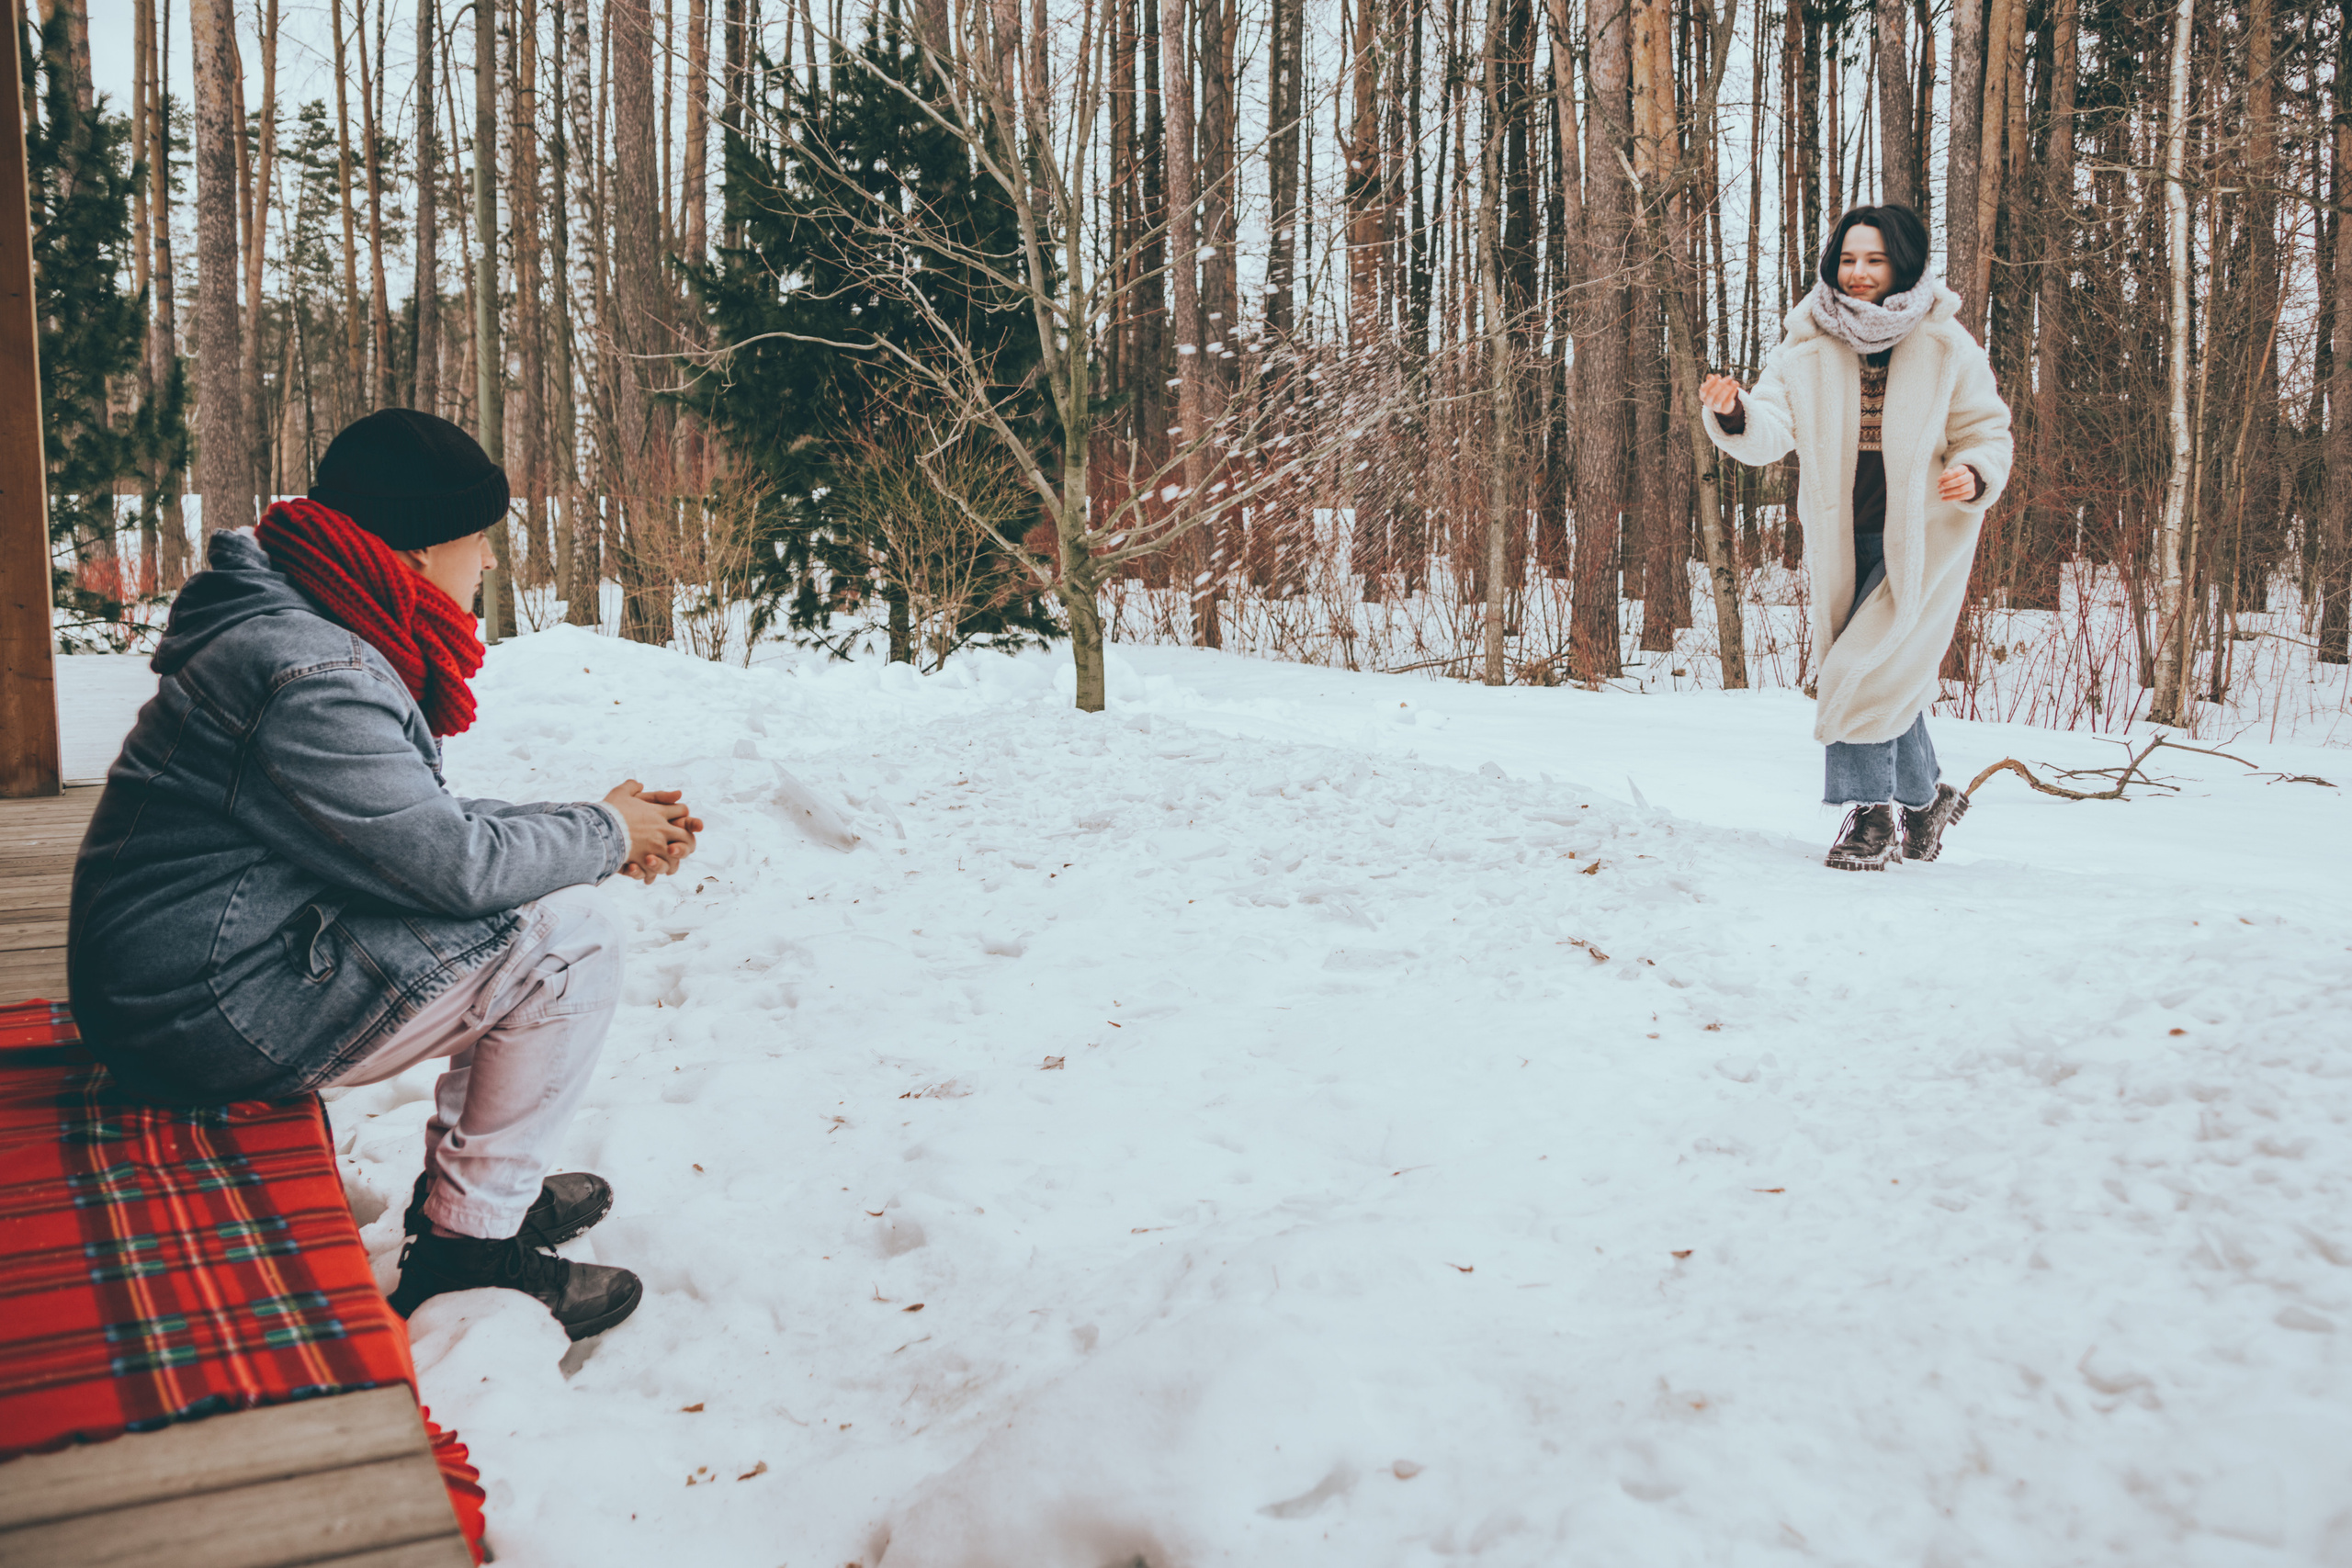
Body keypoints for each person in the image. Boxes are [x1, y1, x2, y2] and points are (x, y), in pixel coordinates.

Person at [68, 408, 702, 1341]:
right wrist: (606, 832)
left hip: (200, 969)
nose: (488, 561)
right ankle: (468, 1249)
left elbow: (407, 830)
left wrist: (594, 824)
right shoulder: (310, 673)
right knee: (568, 945)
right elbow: (451, 865)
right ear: (417, 552)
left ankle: (478, 1193)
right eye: (478, 539)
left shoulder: (303, 624)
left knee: (531, 909)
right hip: (198, 1010)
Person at [1698, 203, 2014, 871]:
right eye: (1848, 259)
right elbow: (1772, 425)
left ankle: (1870, 818)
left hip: (1925, 541)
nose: (1860, 272)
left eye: (1875, 259)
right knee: (1885, 673)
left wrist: (1974, 472)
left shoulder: (1945, 343)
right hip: (1845, 537)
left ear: (1902, 263)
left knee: (1854, 670)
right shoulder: (1808, 343)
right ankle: (1927, 800)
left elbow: (1986, 432)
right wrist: (1734, 411)